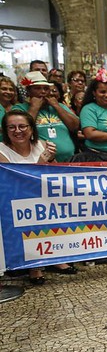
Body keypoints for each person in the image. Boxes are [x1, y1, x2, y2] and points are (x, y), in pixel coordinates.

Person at [0, 110, 59, 284]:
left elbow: (57, 173)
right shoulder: (1, 151)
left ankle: (57, 259)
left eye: (22, 126)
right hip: (13, 202)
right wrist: (40, 163)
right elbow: (13, 182)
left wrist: (52, 159)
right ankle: (35, 266)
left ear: (31, 129)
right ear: (5, 130)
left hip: (43, 197)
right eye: (11, 127)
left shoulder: (42, 144)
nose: (17, 131)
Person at [12, 71, 78, 162]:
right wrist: (34, 108)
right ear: (28, 90)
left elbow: (75, 126)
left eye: (46, 88)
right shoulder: (19, 108)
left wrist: (57, 107)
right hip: (40, 161)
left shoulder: (60, 106)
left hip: (69, 160)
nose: (43, 92)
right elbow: (22, 130)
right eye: (38, 88)